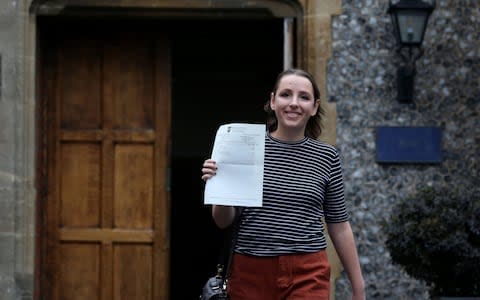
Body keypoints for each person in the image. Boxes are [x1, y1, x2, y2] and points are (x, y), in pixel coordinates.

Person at [201, 68, 365, 300]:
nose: (294, 103)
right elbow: (222, 220)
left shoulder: (327, 157)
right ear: (273, 101)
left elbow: (339, 225)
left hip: (308, 272)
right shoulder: (245, 147)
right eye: (286, 94)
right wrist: (220, 186)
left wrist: (359, 288)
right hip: (250, 272)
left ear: (315, 107)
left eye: (304, 97)